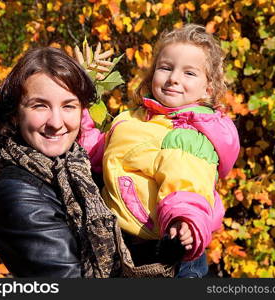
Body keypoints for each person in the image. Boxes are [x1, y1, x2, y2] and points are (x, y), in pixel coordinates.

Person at [78, 24, 240, 277]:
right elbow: (99, 155)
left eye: (189, 73)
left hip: (169, 250)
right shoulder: (130, 119)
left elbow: (187, 181)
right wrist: (78, 115)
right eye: (165, 68)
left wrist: (183, 222)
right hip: (124, 242)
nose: (174, 78)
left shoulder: (188, 135)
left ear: (208, 89)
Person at [0, 46, 127, 278]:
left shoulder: (79, 168)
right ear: (14, 113)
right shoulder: (18, 193)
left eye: (68, 106)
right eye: (39, 106)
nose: (56, 122)